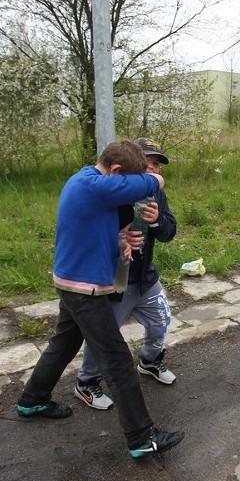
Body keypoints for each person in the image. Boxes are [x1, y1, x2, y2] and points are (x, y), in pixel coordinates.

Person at [15, 140, 184, 459]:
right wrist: (156, 179)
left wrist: (122, 238)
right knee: (118, 360)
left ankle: (32, 398)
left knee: (63, 343)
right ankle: (141, 437)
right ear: (117, 172)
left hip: (73, 280)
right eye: (128, 183)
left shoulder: (86, 181)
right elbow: (151, 182)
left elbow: (94, 228)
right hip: (85, 288)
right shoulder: (94, 185)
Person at [74, 138, 178, 411]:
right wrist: (120, 239)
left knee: (161, 321)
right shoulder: (110, 191)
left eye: (157, 166)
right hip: (115, 280)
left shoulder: (155, 194)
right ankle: (86, 381)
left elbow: (169, 232)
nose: (154, 171)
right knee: (105, 337)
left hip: (145, 277)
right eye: (148, 165)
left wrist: (157, 220)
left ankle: (149, 360)